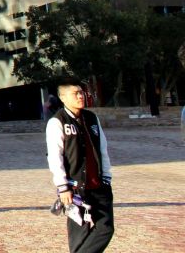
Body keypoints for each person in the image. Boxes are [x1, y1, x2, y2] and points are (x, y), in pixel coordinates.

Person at [46, 80, 114, 253]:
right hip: (75, 188)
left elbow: (102, 148)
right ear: (63, 97)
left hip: (99, 184)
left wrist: (106, 175)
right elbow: (55, 157)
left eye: (81, 92)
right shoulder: (57, 122)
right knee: (79, 235)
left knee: (105, 228)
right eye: (75, 93)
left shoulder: (91, 118)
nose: (80, 96)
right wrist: (63, 186)